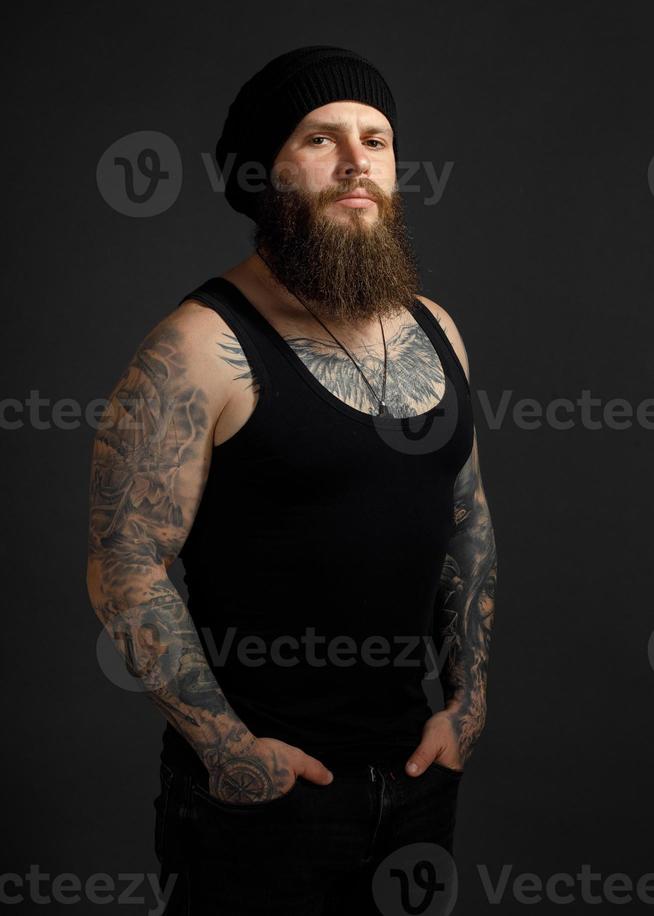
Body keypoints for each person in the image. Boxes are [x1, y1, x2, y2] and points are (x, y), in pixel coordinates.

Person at [86, 45, 497, 915]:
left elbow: (467, 518)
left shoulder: (439, 330)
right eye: (321, 138)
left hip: (417, 781)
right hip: (265, 801)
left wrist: (467, 703)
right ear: (263, 175)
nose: (357, 163)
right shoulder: (199, 346)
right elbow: (125, 567)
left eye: (377, 140)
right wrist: (227, 748)